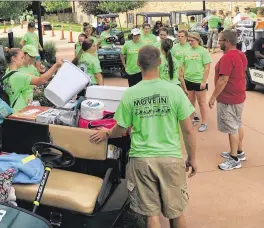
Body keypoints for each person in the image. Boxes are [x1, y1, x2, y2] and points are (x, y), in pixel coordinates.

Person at [89, 45, 197, 228]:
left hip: (142, 159)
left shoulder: (131, 93)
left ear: (138, 64)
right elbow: (188, 130)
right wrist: (192, 158)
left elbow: (121, 129)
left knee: (151, 214)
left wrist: (107, 132)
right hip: (171, 158)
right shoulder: (175, 91)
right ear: (160, 63)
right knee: (176, 212)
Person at [209, 29, 247, 170]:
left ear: (227, 42)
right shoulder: (240, 54)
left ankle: (234, 158)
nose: (218, 43)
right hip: (239, 95)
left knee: (232, 128)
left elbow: (223, 79)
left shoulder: (227, 58)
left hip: (229, 98)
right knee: (237, 124)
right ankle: (239, 151)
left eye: (220, 40)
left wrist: (213, 96)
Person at [3, 48, 63, 113]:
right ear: (14, 58)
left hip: (12, 110)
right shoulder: (18, 76)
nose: (23, 60)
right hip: (20, 112)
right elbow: (40, 80)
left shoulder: (7, 73)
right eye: (22, 58)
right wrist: (56, 66)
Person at [182, 32, 211, 132]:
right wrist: (182, 77)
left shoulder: (203, 51)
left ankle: (204, 123)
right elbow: (183, 66)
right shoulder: (186, 51)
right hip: (188, 80)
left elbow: (207, 67)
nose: (190, 42)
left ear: (198, 40)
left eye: (192, 40)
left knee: (202, 103)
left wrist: (203, 81)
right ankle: (192, 119)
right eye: (189, 40)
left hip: (199, 81)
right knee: (190, 102)